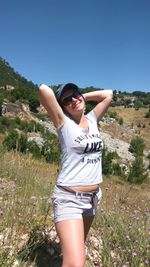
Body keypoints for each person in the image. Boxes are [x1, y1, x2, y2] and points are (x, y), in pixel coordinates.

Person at [39, 82, 113, 267]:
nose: (73, 99)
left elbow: (108, 94)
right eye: (67, 100)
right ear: (61, 107)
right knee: (76, 263)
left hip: (92, 198)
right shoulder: (63, 123)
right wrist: (64, 103)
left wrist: (82, 97)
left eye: (75, 94)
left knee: (78, 245)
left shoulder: (93, 118)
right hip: (69, 198)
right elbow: (43, 90)